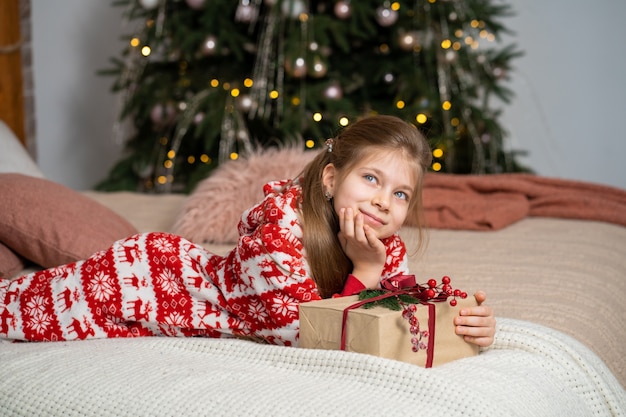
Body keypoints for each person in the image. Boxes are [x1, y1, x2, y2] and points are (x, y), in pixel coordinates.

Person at [0, 115, 495, 347]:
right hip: (149, 280)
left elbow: (397, 318)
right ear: (330, 178)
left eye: (401, 194)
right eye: (371, 178)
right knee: (17, 311)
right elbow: (301, 334)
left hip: (171, 296)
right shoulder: (277, 228)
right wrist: (364, 274)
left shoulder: (383, 247)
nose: (384, 201)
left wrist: (463, 326)